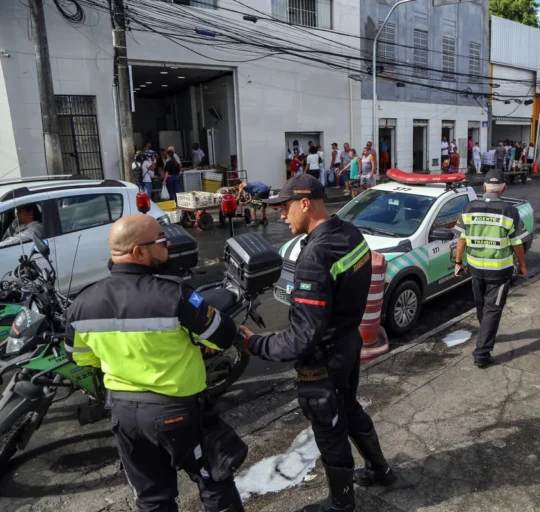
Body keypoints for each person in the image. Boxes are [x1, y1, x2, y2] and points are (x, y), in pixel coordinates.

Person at [64, 214, 244, 512]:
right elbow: (223, 336)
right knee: (214, 483)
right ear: (138, 251)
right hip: (177, 412)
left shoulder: (83, 304)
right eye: (161, 241)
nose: (168, 245)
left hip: (125, 417)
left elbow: (82, 358)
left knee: (152, 500)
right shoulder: (174, 295)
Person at [240, 174, 396, 512]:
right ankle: (380, 470)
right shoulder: (350, 233)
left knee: (329, 427)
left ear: (305, 203)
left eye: (284, 207)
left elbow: (301, 337)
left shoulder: (315, 255)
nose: (281, 215)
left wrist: (256, 344)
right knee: (349, 408)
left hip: (324, 358)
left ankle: (341, 505)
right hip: (349, 342)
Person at [453, 169, 527, 369]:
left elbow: (461, 239)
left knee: (481, 305)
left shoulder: (469, 208)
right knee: (492, 310)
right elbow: (517, 243)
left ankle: (486, 332)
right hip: (499, 271)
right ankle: (482, 354)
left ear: (484, 187)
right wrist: (522, 264)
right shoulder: (509, 211)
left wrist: (458, 263)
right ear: (504, 189)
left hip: (476, 268)